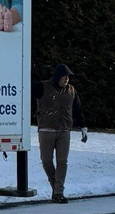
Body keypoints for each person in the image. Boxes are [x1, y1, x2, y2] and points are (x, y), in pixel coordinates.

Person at [35, 62, 86, 203]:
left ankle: (58, 192)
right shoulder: (42, 87)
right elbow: (25, 91)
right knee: (46, 160)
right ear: (57, 77)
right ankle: (55, 185)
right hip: (46, 129)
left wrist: (83, 127)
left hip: (64, 130)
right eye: (64, 77)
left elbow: (77, 109)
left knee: (62, 161)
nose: (67, 79)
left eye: (68, 77)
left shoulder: (71, 91)